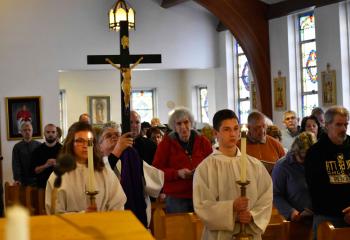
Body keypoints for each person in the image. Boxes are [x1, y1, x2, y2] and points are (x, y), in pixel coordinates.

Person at [193, 109, 272, 240]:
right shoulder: (205, 168)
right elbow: (202, 206)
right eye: (227, 129)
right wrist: (232, 208)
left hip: (250, 233)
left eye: (236, 129)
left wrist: (252, 215)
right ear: (215, 133)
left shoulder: (255, 165)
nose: (233, 134)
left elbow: (266, 197)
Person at [45, 122, 126, 214]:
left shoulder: (105, 172)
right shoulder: (59, 175)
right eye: (79, 141)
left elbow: (118, 204)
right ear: (71, 143)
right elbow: (55, 213)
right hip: (71, 228)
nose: (85, 145)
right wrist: (83, 216)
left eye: (89, 141)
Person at [98, 122, 164, 227]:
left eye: (118, 135)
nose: (115, 138)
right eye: (109, 136)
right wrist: (116, 152)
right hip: (109, 220)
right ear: (100, 146)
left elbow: (157, 182)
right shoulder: (97, 165)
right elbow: (99, 183)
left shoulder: (133, 160)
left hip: (136, 219)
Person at [153, 107, 212, 213]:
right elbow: (157, 171)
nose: (183, 127)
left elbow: (212, 165)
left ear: (191, 123)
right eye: (179, 124)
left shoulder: (203, 141)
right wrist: (177, 173)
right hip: (176, 197)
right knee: (179, 228)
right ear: (174, 126)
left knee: (201, 228)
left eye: (186, 122)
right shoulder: (166, 144)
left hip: (201, 194)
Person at [305, 106, 350, 239]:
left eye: (346, 124)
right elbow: (316, 190)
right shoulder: (315, 152)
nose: (343, 129)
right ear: (327, 125)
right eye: (338, 125)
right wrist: (344, 213)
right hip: (327, 218)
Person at [272, 131, 316, 222]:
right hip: (294, 220)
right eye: (303, 158)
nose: (307, 162)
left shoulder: (316, 162)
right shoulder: (282, 166)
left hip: (317, 218)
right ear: (295, 151)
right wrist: (291, 212)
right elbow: (275, 195)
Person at [31, 124, 62, 188]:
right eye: (48, 132)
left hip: (60, 186)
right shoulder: (37, 150)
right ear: (44, 134)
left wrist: (57, 164)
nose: (50, 134)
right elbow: (34, 171)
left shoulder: (63, 149)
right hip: (42, 186)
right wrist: (46, 165)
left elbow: (69, 170)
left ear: (56, 134)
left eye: (53, 132)